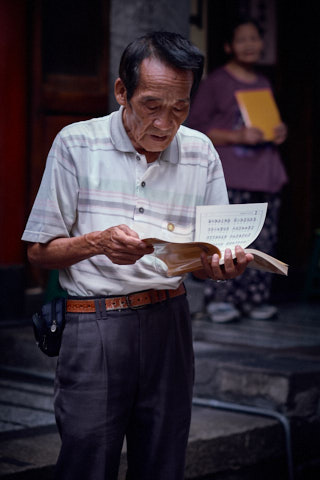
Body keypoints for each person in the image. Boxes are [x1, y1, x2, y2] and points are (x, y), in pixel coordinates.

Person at [22, 32, 253, 480]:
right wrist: (98, 242)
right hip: (95, 324)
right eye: (151, 105)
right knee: (87, 462)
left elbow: (211, 256)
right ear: (121, 92)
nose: (166, 123)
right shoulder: (76, 144)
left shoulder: (201, 152)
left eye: (180, 108)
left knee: (163, 461)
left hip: (170, 320)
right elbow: (38, 252)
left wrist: (221, 267)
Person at [188, 17, 288, 323]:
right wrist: (237, 137)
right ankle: (221, 299)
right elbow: (196, 128)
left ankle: (255, 300)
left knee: (263, 241)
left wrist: (278, 131)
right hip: (232, 173)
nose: (250, 45)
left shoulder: (263, 82)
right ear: (229, 46)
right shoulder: (216, 82)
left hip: (265, 173)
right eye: (242, 39)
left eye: (255, 39)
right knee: (226, 241)